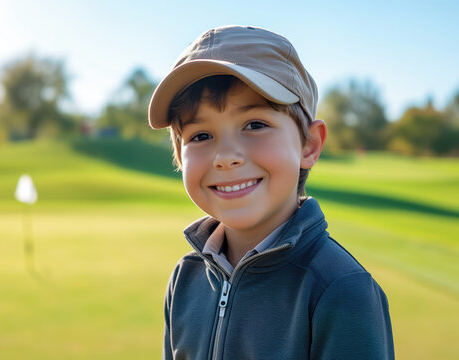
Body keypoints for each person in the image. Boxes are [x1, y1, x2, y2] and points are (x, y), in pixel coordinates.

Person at [147, 25, 394, 360]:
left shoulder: (340, 288)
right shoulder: (185, 278)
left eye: (255, 125)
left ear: (309, 144)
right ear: (179, 156)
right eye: (201, 136)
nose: (226, 157)